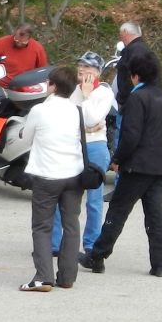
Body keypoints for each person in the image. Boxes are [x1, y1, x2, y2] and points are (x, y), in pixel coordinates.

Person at [82, 50, 162, 278]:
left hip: (137, 165)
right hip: (160, 164)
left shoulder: (136, 98)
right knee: (155, 215)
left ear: (135, 76)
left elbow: (130, 136)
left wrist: (117, 159)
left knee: (118, 211)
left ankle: (97, 255)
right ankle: (160, 264)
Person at [23, 65, 86, 293]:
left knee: (42, 226)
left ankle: (43, 277)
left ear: (52, 86)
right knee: (71, 225)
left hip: (47, 174)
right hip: (74, 174)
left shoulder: (39, 110)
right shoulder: (76, 110)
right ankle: (67, 277)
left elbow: (26, 138)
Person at [53, 52, 113, 257]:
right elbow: (63, 118)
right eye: (80, 65)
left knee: (94, 199)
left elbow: (90, 119)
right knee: (62, 193)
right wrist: (85, 125)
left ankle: (91, 243)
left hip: (96, 146)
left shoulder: (104, 92)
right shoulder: (71, 90)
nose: (82, 69)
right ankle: (55, 242)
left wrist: (86, 97)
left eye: (88, 66)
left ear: (98, 72)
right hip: (72, 145)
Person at [114, 21, 149, 109]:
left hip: (130, 103)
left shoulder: (133, 51)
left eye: (120, 34)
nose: (120, 37)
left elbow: (132, 78)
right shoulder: (143, 49)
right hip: (139, 100)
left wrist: (122, 99)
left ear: (125, 32)